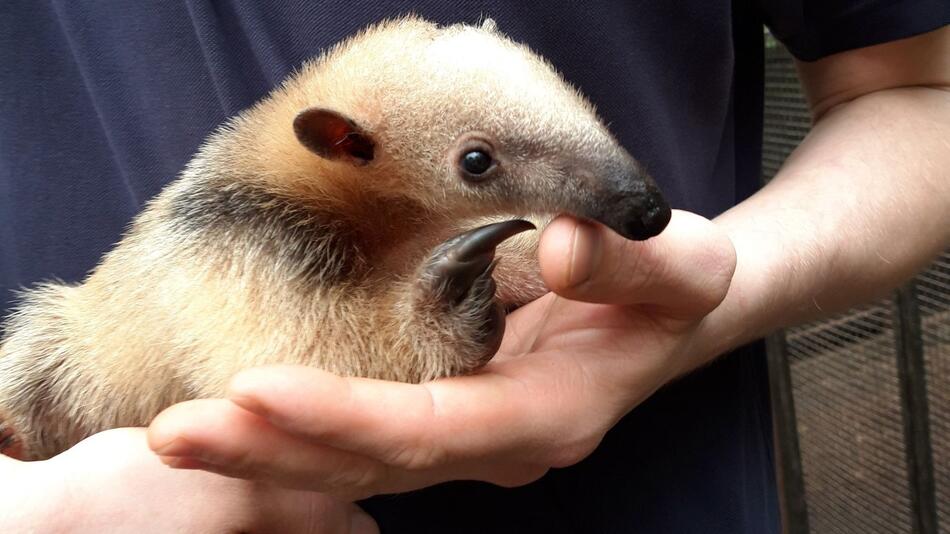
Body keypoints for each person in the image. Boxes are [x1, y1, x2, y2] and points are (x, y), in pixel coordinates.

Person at [1, 2, 947, 532]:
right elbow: (283, 360)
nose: (617, 197)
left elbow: (918, 88)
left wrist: (721, 287)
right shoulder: (234, 234)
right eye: (479, 168)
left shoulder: (425, 201)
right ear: (343, 146)